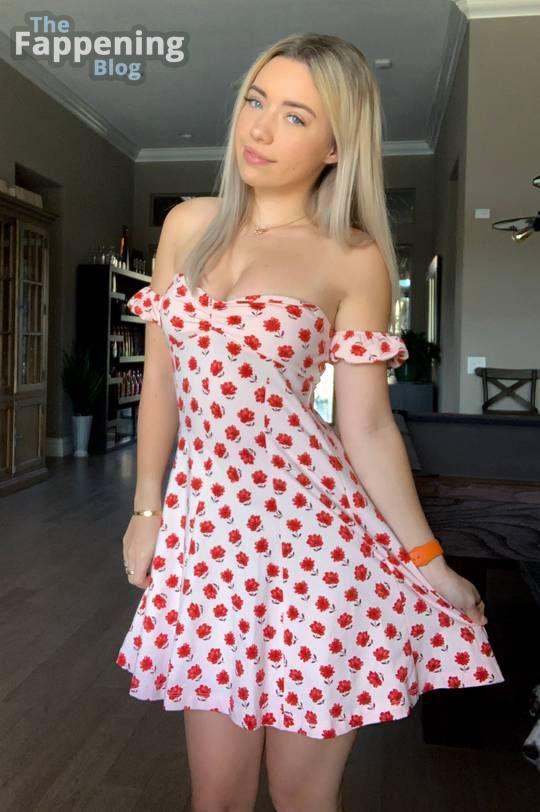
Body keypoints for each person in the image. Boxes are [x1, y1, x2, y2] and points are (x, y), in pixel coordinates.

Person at [116, 32, 504, 812]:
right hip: (209, 542)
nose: (260, 129)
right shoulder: (187, 227)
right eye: (256, 102)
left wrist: (430, 561)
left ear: (335, 147)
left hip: (316, 546)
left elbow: (367, 427)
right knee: (216, 798)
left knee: (301, 798)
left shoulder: (352, 258)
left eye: (295, 116)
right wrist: (146, 509)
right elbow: (160, 379)